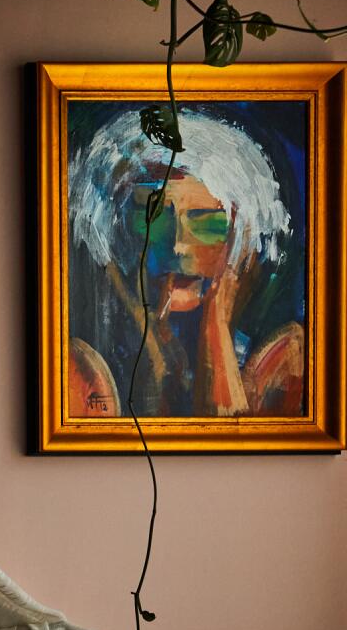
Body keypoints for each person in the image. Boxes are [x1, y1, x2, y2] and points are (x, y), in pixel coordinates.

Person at [66, 107, 304, 419]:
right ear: (116, 229)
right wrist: (153, 345)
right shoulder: (78, 368)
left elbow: (232, 454)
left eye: (206, 221)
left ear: (242, 239)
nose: (177, 246)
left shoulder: (284, 360)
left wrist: (216, 328)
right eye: (152, 218)